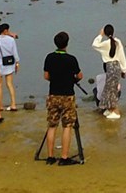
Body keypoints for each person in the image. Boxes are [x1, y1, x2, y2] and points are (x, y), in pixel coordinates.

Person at [43, 31, 83, 166]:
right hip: (67, 96)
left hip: (53, 94)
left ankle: (50, 156)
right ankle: (64, 157)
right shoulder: (71, 59)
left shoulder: (49, 57)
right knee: (67, 126)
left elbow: (46, 76)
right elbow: (80, 76)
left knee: (52, 125)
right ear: (67, 43)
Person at [91, 24, 126, 120]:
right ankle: (111, 109)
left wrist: (100, 35)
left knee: (110, 90)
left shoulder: (105, 43)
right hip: (117, 66)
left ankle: (115, 110)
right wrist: (124, 70)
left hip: (109, 67)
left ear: (105, 33)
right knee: (112, 89)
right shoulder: (118, 42)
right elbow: (122, 56)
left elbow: (94, 44)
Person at [0, 23, 20, 111]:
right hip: (9, 63)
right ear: (6, 31)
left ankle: (0, 106)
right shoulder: (11, 40)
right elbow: (14, 52)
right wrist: (17, 62)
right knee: (10, 84)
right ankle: (13, 104)